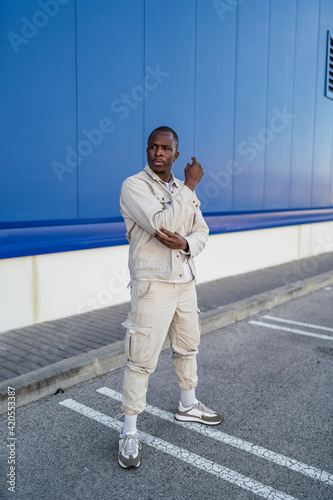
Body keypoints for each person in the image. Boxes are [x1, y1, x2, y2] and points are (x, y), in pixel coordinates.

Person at [118, 126, 223, 469]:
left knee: (188, 346)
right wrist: (192, 185)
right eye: (153, 147)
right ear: (147, 151)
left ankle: (187, 405)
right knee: (141, 358)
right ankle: (129, 431)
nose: (158, 152)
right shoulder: (135, 186)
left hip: (184, 281)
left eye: (165, 148)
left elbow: (201, 230)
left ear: (176, 155)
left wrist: (188, 244)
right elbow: (163, 225)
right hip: (153, 285)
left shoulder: (179, 188)